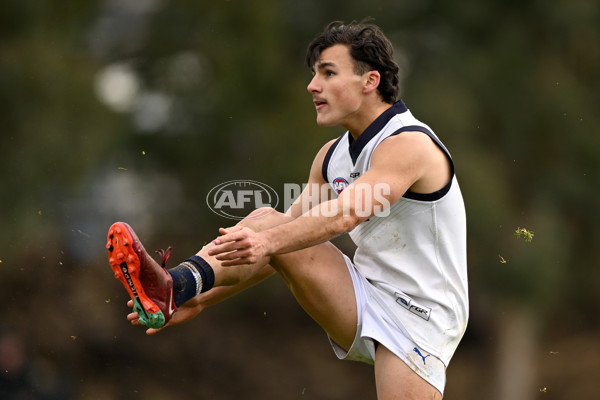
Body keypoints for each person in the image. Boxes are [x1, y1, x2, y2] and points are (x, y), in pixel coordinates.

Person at [106, 20, 468, 399]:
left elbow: (345, 214)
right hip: (365, 293)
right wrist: (199, 299)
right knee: (269, 220)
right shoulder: (331, 157)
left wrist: (267, 241)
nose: (313, 86)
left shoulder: (408, 144)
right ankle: (178, 286)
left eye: (328, 73)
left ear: (370, 81)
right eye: (314, 75)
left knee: (272, 230)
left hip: (422, 317)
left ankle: (177, 287)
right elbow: (278, 243)